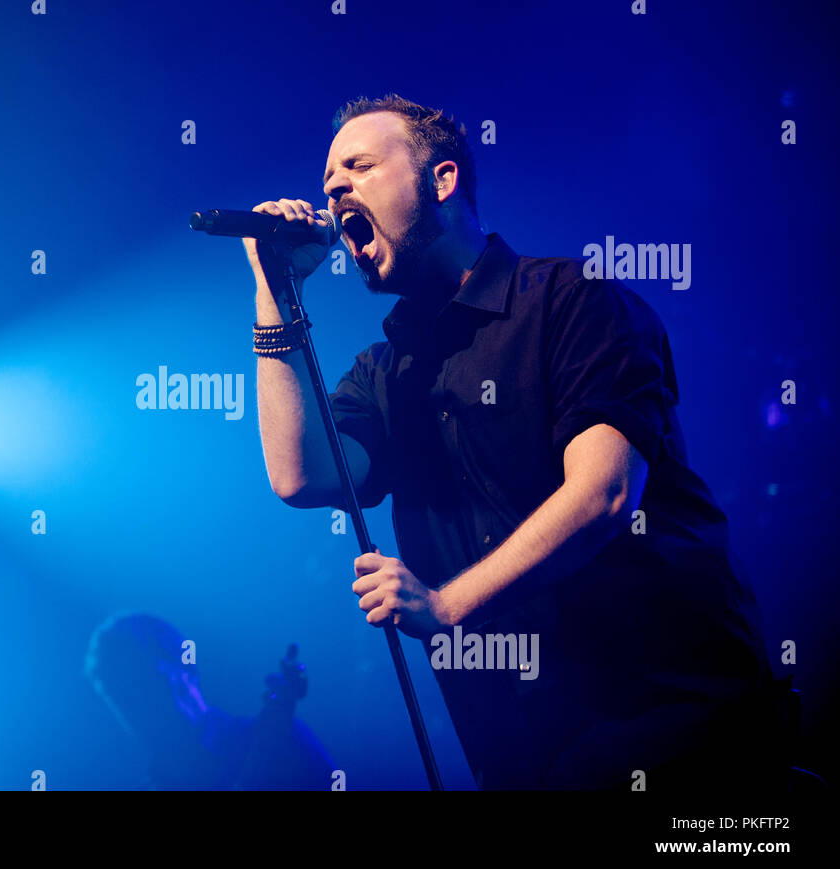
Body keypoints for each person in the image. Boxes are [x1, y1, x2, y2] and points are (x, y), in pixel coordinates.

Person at [245, 94, 787, 790]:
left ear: (441, 181)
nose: (333, 188)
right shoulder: (388, 372)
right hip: (526, 757)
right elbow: (300, 476)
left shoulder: (573, 301)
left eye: (359, 165)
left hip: (683, 740)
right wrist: (273, 290)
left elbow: (604, 493)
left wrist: (444, 606)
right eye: (327, 181)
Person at [84, 613, 335, 790]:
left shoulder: (280, 741)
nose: (131, 705)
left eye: (140, 681)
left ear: (186, 668)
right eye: (116, 695)